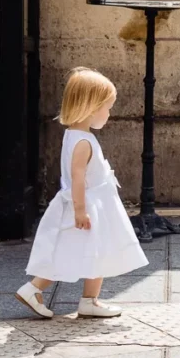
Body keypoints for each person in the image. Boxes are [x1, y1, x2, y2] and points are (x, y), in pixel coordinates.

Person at [16, 68, 148, 319]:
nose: (109, 114)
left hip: (92, 206)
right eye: (107, 108)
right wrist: (80, 210)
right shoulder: (84, 142)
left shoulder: (75, 135)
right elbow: (77, 177)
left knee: (92, 251)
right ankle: (35, 288)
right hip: (89, 208)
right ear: (91, 107)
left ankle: (89, 300)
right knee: (74, 251)